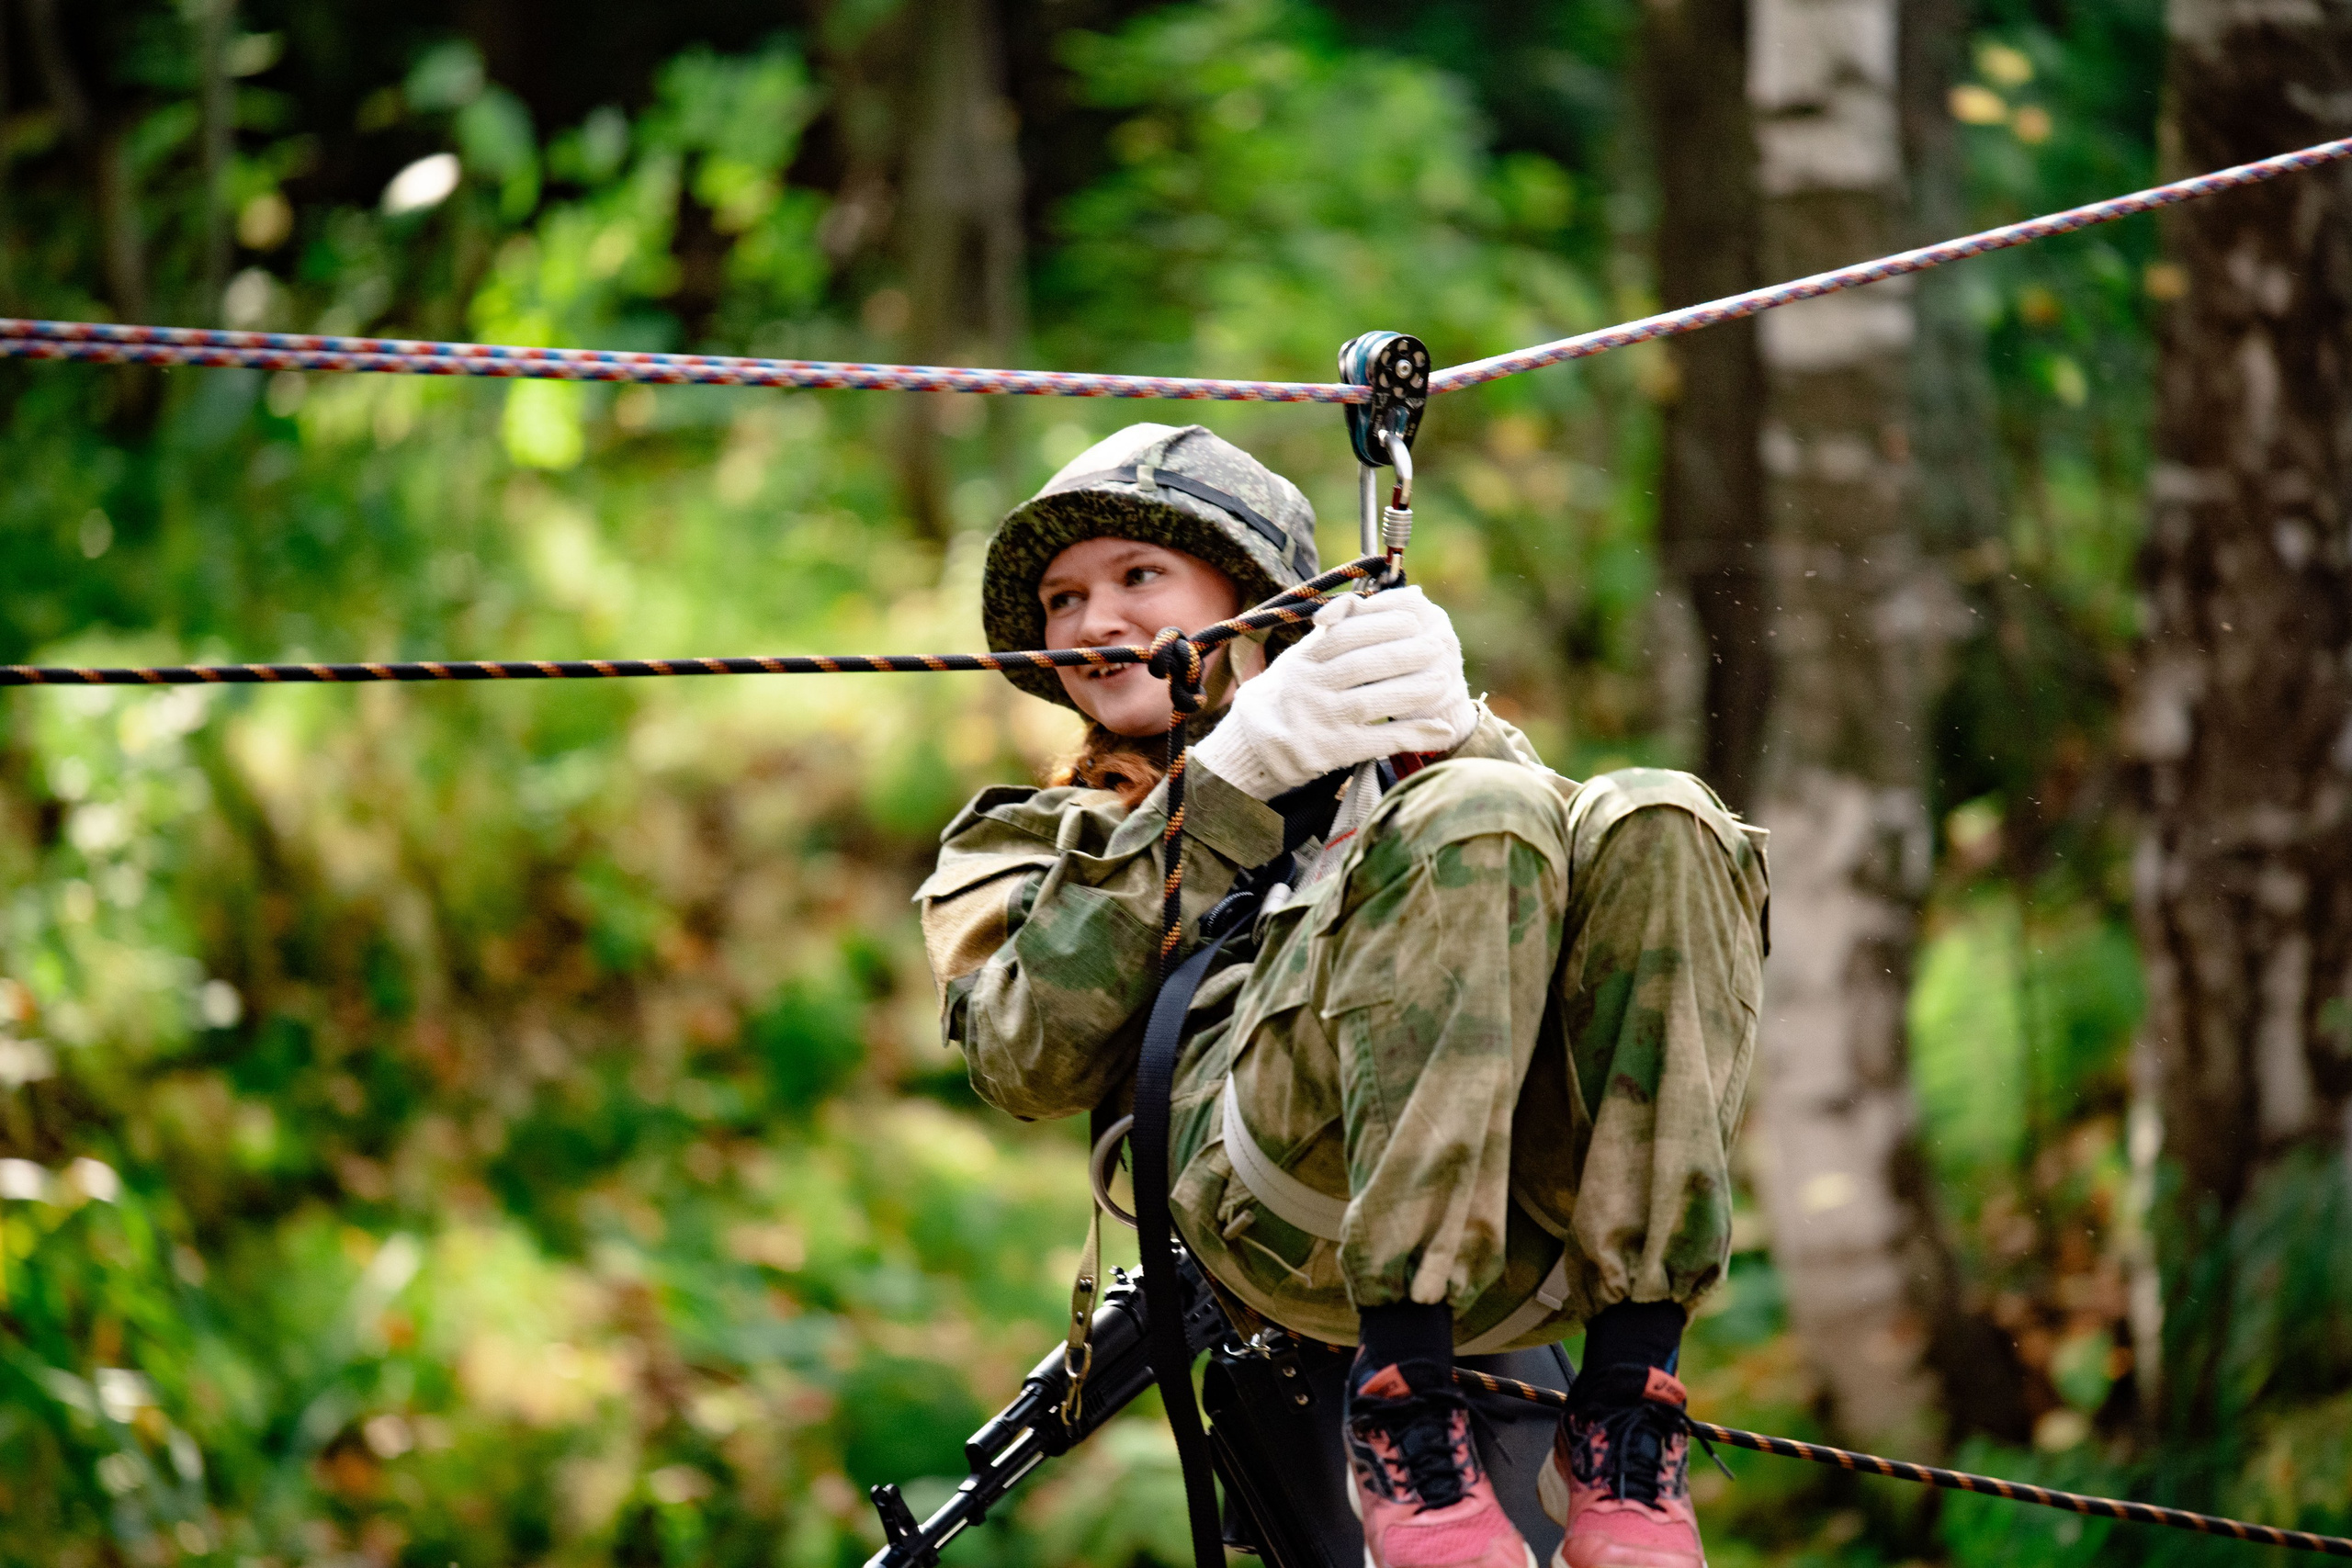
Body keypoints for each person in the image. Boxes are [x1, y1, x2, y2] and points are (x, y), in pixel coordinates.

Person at [918, 423, 1769, 1568]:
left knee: (1662, 814)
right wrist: (1226, 787)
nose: (1091, 623)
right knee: (1473, 817)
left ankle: (1630, 1412)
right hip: (1273, 1202)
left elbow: (1606, 919)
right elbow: (1023, 1056)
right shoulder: (1037, 838)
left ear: (1253, 601)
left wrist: (1447, 727)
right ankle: (1402, 1414)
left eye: (1136, 578)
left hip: (1532, 1224)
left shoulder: (1414, 773)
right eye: (1062, 601)